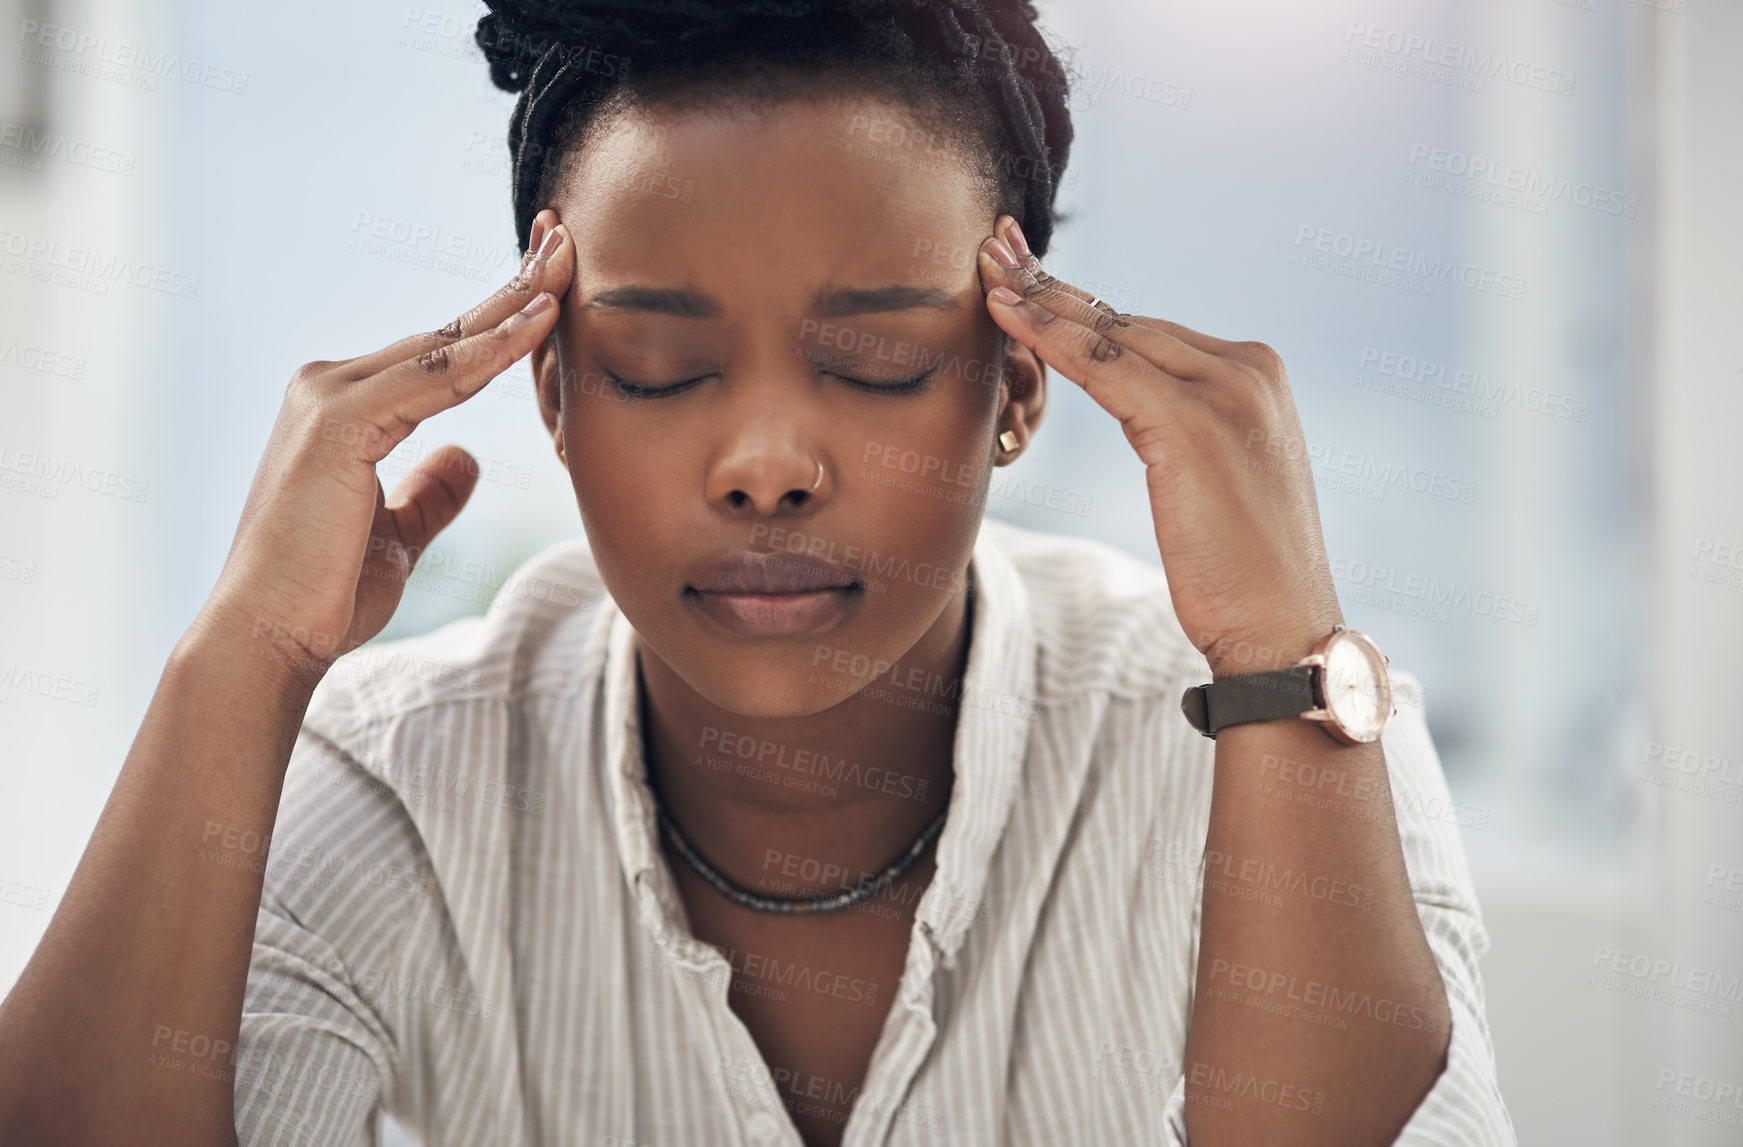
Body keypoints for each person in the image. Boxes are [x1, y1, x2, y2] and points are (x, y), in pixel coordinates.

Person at [0, 1, 1514, 1144]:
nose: (767, 464)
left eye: (877, 361)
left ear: (1022, 391)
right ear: (550, 397)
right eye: (658, 369)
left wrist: (1282, 646)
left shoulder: (1287, 733)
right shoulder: (403, 776)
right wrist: (241, 657)